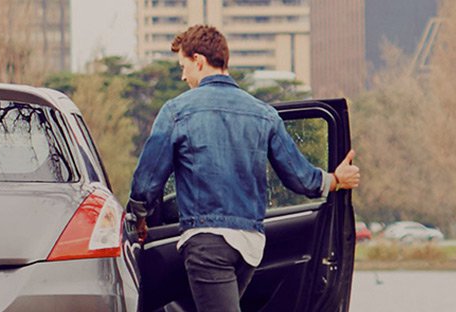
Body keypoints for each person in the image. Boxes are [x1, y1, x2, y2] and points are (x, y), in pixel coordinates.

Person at [128, 25, 362, 312]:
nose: (182, 75)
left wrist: (137, 216)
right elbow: (299, 177)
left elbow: (148, 180)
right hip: (250, 246)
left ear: (199, 61)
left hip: (208, 242)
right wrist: (335, 179)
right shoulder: (263, 113)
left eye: (184, 66)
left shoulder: (177, 111)